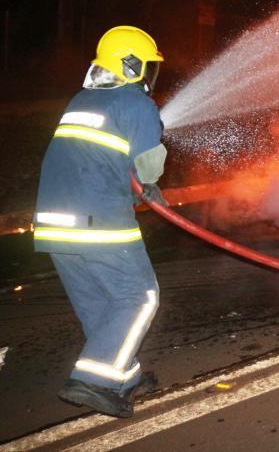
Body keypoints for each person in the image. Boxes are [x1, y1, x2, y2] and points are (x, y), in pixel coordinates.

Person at [34, 25, 168, 418]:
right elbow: (147, 166)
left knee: (100, 303)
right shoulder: (137, 104)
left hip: (53, 223)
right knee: (139, 297)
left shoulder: (80, 101)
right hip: (99, 220)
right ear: (131, 64)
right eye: (146, 66)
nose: (149, 74)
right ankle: (91, 381)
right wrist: (149, 185)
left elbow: (94, 161)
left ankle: (121, 377)